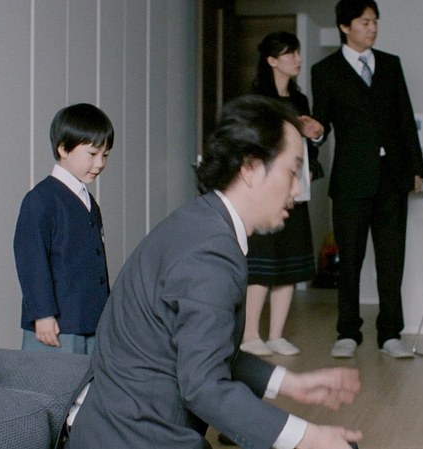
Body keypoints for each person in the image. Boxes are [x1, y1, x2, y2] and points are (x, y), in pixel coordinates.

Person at [66, 95, 362, 449]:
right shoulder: (210, 253)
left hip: (122, 426)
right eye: (292, 171)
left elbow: (205, 348)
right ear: (250, 168)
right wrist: (307, 437)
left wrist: (289, 383)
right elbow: (204, 386)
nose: (297, 190)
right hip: (135, 437)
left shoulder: (203, 222)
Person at [311, 0, 423, 358]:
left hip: (392, 178)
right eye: (364, 22)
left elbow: (405, 118)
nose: (372, 28)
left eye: (375, 21)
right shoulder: (325, 70)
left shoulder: (390, 65)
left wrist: (416, 168)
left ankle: (391, 334)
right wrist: (315, 134)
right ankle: (348, 333)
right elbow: (321, 122)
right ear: (345, 27)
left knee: (392, 262)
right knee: (350, 262)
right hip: (351, 180)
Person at [239, 31, 325, 357]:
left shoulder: (300, 101)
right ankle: (250, 334)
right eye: (290, 54)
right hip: (266, 191)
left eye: (298, 53)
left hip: (296, 191)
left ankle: (276, 335)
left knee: (290, 263)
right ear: (272, 60)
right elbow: (251, 144)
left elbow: (308, 149)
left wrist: (315, 134)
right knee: (262, 264)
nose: (297, 60)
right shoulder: (257, 101)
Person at [14, 103, 114, 354]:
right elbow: (31, 259)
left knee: (90, 377)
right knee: (53, 378)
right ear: (63, 149)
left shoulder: (89, 202)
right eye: (92, 154)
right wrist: (42, 314)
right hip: (57, 325)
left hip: (90, 320)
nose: (100, 163)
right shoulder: (41, 199)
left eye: (105, 155)